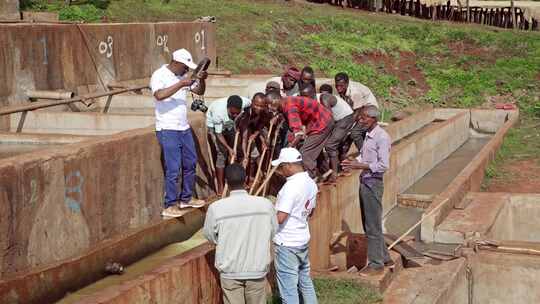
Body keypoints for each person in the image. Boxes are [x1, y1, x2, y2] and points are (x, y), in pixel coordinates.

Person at [203, 164, 277, 304]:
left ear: (225, 182)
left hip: (230, 270)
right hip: (257, 268)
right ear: (246, 180)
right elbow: (273, 231)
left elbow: (210, 236)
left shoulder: (216, 208)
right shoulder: (265, 204)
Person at [150, 48, 206, 217]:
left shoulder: (183, 76)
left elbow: (199, 91)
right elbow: (159, 95)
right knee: (173, 168)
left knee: (190, 163)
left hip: (183, 127)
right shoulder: (159, 75)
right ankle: (170, 204)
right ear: (177, 63)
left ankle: (186, 198)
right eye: (185, 67)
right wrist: (181, 84)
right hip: (168, 128)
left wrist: (202, 81)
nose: (187, 70)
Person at [341, 105, 393, 277]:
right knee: (369, 223)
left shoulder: (381, 137)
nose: (360, 121)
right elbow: (365, 157)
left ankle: (376, 264)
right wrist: (352, 162)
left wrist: (359, 165)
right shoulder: (368, 136)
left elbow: (383, 165)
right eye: (360, 118)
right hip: (364, 182)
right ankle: (385, 257)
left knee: (372, 226)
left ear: (373, 119)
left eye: (364, 118)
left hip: (373, 184)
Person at [271, 148, 318, 304]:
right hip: (302, 239)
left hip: (287, 243)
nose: (280, 170)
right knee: (305, 282)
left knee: (289, 290)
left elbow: (280, 218)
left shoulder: (290, 188)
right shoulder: (311, 183)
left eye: (281, 166)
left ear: (289, 165)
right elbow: (311, 212)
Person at [266, 91, 334, 179]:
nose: (269, 107)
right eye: (267, 105)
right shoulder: (286, 102)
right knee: (312, 148)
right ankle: (326, 171)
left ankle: (310, 179)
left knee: (305, 153)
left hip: (322, 123)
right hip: (319, 121)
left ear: (276, 100)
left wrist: (289, 149)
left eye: (270, 103)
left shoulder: (290, 108)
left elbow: (298, 134)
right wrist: (277, 116)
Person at [207, 95, 251, 193]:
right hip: (215, 128)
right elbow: (219, 134)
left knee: (236, 149)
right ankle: (220, 186)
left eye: (237, 113)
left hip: (229, 124)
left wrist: (243, 119)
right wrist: (228, 148)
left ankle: (237, 181)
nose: (235, 115)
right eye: (232, 113)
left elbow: (249, 109)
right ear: (228, 108)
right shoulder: (218, 113)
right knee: (222, 153)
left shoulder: (246, 102)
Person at [334, 72, 379, 153]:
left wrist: (345, 128)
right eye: (337, 86)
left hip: (370, 110)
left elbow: (357, 112)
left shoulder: (355, 93)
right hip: (360, 109)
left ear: (347, 83)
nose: (338, 88)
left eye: (341, 86)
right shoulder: (343, 88)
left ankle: (366, 155)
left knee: (355, 133)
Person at [319, 92, 354, 182]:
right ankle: (332, 170)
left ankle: (334, 173)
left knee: (330, 145)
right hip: (336, 120)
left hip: (345, 118)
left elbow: (328, 118)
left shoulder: (324, 99)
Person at [237, 92, 272, 184]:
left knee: (261, 150)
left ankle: (260, 173)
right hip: (241, 130)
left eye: (261, 106)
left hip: (255, 128)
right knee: (245, 156)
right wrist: (245, 155)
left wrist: (257, 136)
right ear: (252, 102)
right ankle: (243, 179)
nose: (259, 108)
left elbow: (261, 126)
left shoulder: (265, 112)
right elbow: (244, 138)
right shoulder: (245, 115)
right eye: (256, 105)